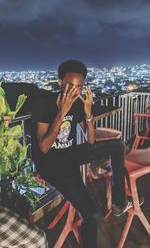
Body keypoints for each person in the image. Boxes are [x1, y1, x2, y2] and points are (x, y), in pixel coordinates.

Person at [31, 60, 132, 248]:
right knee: (92, 214)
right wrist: (61, 113)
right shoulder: (43, 101)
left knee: (118, 145)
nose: (73, 91)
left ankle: (119, 202)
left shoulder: (78, 103)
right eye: (69, 85)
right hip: (50, 164)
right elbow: (44, 148)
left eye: (78, 87)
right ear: (60, 82)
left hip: (70, 154)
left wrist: (87, 113)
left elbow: (91, 141)